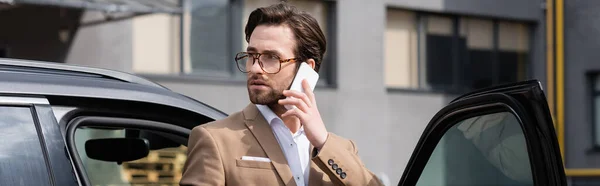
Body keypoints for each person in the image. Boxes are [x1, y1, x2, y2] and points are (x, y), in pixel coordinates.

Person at [180, 2, 383, 186]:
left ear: (307, 69)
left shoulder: (341, 149)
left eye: (271, 57)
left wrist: (322, 141)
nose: (255, 68)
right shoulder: (214, 139)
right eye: (252, 56)